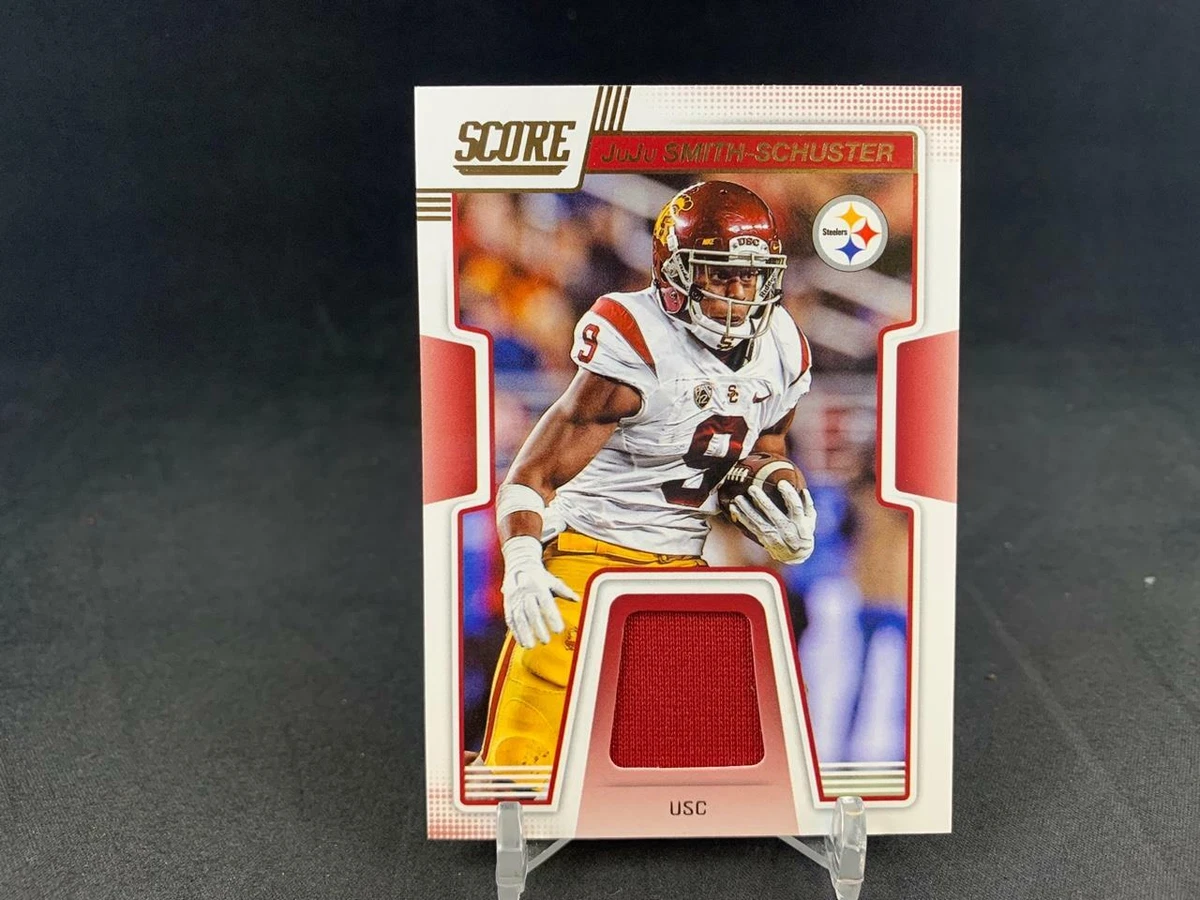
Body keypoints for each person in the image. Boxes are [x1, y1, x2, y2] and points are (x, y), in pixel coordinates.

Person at [477, 181, 818, 769]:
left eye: (749, 276)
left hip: (685, 570)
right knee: (524, 764)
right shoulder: (636, 337)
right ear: (674, 274)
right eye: (718, 276)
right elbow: (531, 475)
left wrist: (781, 510)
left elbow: (766, 446)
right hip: (586, 561)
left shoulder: (783, 344)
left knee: (679, 766)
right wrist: (525, 564)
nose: (738, 295)